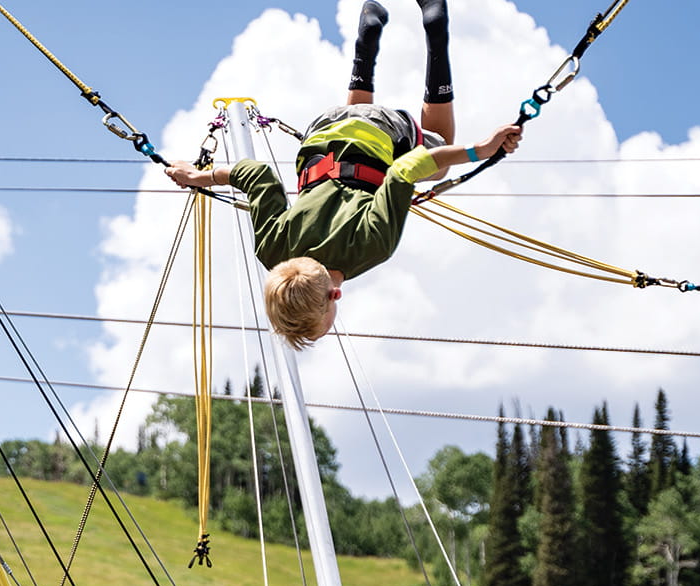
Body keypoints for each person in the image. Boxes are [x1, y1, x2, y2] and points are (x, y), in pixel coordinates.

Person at [165, 0, 523, 348]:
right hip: (322, 130)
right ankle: (366, 41)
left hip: (379, 131)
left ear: (335, 295)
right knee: (355, 121)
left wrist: (481, 150)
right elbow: (257, 175)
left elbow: (405, 170)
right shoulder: (272, 251)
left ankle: (436, 37)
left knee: (440, 151)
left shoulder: (372, 248)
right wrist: (197, 177)